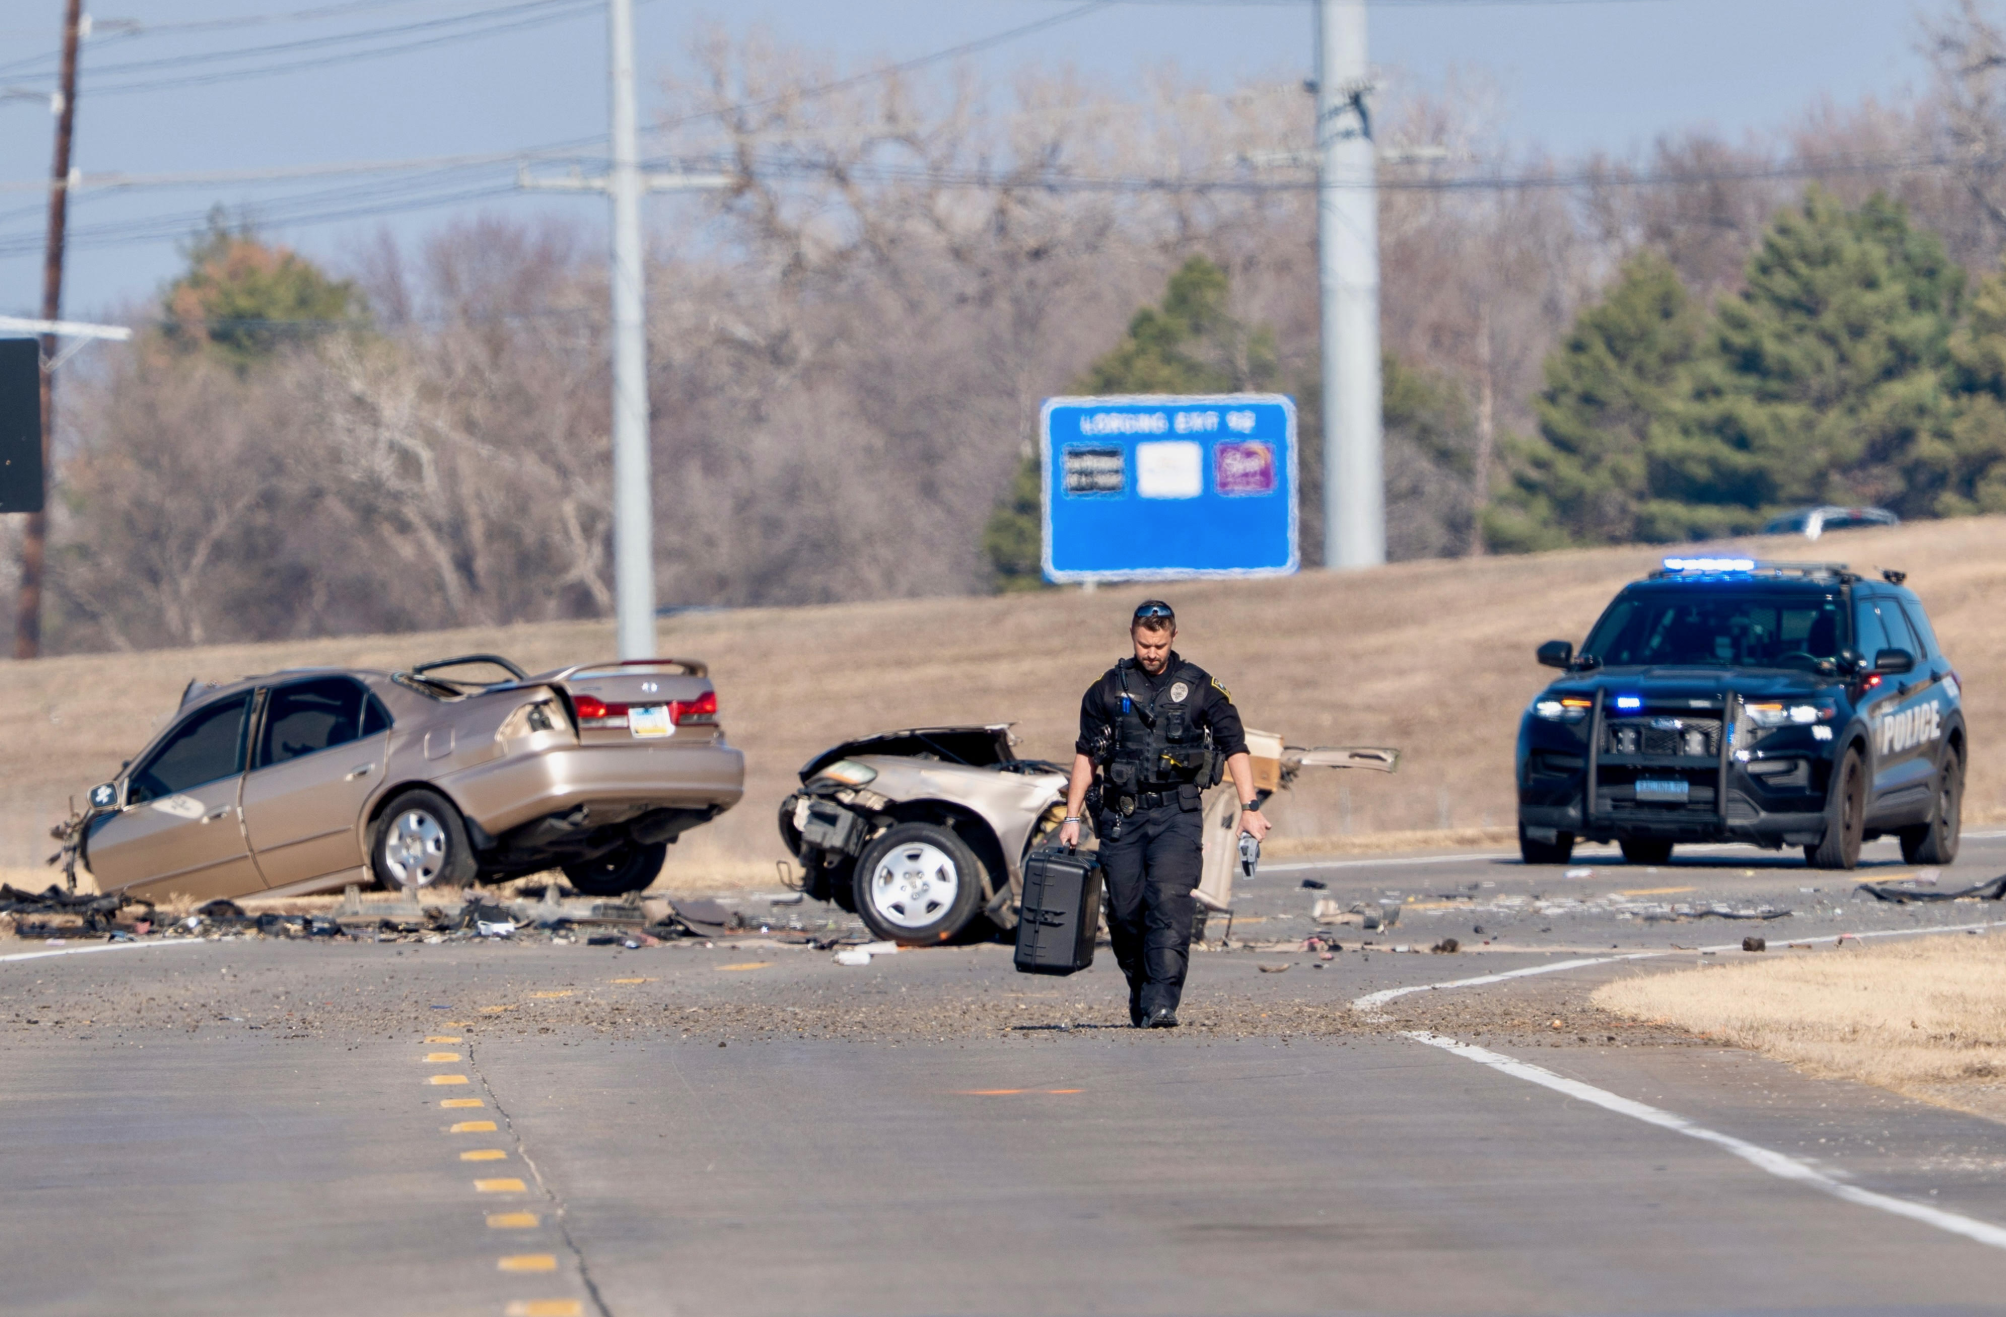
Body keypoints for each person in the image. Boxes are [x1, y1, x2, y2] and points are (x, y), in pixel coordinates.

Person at [1057, 599, 1271, 1028]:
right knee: (1124, 912)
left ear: (1174, 636)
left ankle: (1161, 1001)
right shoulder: (1106, 689)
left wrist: (1250, 808)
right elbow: (1085, 755)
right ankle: (1141, 986)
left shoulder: (1201, 687)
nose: (1150, 653)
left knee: (1169, 904)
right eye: (1143, 644)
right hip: (1122, 816)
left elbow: (1236, 747)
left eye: (1158, 644)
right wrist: (1072, 816)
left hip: (1178, 814)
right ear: (1132, 637)